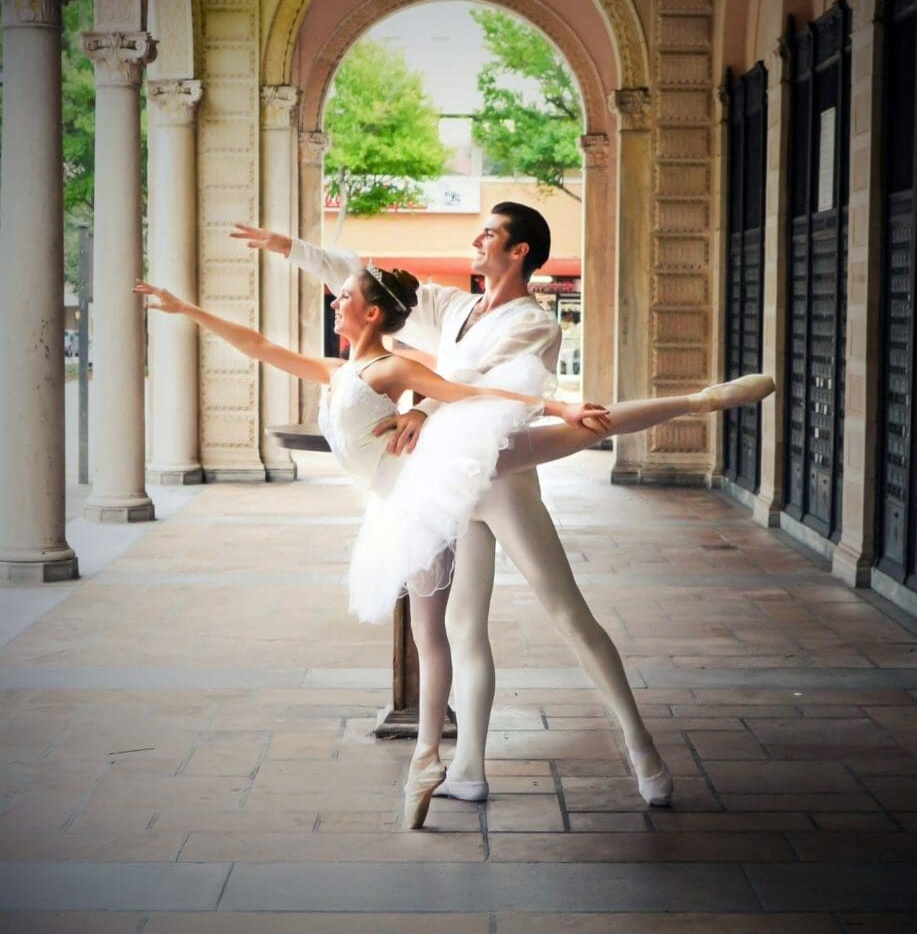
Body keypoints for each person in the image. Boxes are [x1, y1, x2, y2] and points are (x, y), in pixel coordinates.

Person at [134, 266, 774, 829]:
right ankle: (444, 761)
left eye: (343, 297)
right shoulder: (340, 371)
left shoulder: (393, 365)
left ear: (373, 311)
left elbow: (472, 392)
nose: (334, 304)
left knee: (570, 454)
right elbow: (261, 346)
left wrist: (553, 400)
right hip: (413, 504)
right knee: (441, 634)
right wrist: (186, 309)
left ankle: (699, 400)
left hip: (458, 472)